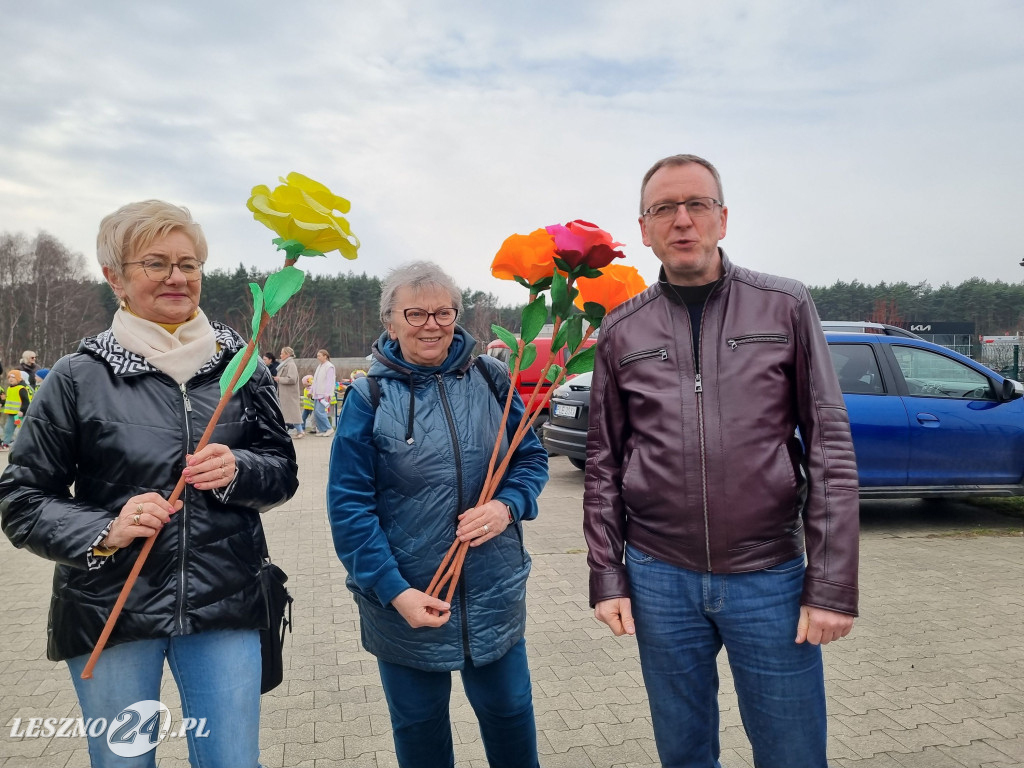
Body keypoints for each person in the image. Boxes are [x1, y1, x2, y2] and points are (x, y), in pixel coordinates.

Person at [0, 199, 299, 767]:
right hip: (111, 608)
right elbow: (21, 499)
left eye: (189, 264)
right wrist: (105, 529)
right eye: (156, 263)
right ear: (114, 277)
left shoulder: (241, 367)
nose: (177, 277)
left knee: (234, 760)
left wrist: (239, 471)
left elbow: (281, 471)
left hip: (224, 601)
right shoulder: (77, 377)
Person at [583, 155, 860, 768]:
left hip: (770, 575)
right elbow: (603, 461)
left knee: (792, 753)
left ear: (723, 219)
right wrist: (608, 575)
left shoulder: (784, 306)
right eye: (664, 209)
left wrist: (832, 584)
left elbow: (830, 446)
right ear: (644, 229)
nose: (682, 220)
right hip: (659, 577)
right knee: (683, 753)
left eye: (697, 205)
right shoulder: (622, 329)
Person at [327, 260, 549, 768]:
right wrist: (394, 591)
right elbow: (349, 507)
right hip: (407, 600)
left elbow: (530, 458)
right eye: (416, 313)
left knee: (511, 714)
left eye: (444, 312)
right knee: (420, 729)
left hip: (493, 592)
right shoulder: (368, 397)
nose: (432, 324)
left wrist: (507, 506)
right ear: (390, 322)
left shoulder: (491, 377)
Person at [274, 346, 303, 438]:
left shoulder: (291, 365)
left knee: (293, 412)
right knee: (286, 413)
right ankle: (292, 430)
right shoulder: (285, 364)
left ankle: (300, 431)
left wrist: (279, 379)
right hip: (284, 393)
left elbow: (292, 379)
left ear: (287, 354)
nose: (280, 355)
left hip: (289, 394)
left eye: (282, 353)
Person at [1, 369, 32, 450]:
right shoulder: (9, 388)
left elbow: (26, 402)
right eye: (9, 377)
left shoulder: (21, 389)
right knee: (8, 429)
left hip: (18, 415)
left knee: (20, 430)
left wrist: (22, 410)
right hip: (11, 414)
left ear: (18, 378)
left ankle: (23, 445)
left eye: (13, 377)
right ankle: (5, 444)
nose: (10, 379)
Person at [310, 348, 336, 437]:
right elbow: (315, 380)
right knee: (316, 412)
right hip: (317, 393)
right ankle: (322, 429)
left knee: (320, 411)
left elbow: (330, 381)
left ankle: (328, 428)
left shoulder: (329, 366)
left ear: (325, 356)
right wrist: (311, 390)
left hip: (323, 393)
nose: (318, 357)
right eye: (317, 356)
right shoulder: (320, 366)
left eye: (319, 356)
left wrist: (327, 393)